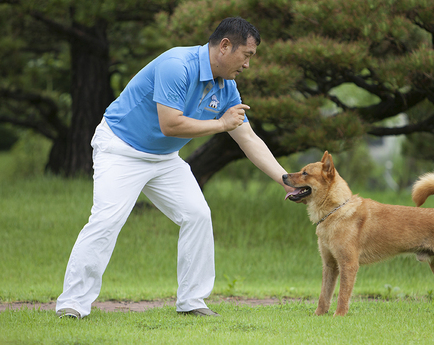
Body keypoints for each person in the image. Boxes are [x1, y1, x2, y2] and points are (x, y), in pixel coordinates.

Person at [56, 17, 293, 319]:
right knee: (107, 220)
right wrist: (220, 124)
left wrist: (284, 179)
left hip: (163, 158)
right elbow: (171, 124)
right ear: (224, 46)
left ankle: (192, 301)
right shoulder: (177, 64)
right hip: (121, 148)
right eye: (246, 55)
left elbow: (247, 137)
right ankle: (72, 304)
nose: (247, 64)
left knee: (197, 215)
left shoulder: (227, 87)